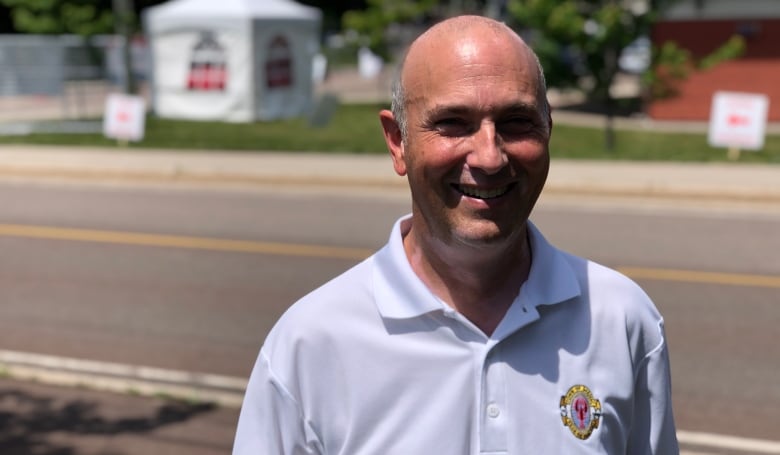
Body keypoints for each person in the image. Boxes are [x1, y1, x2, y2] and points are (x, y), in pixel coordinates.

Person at [233, 15, 678, 454]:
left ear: (548, 130)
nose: (489, 156)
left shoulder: (622, 320)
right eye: (453, 123)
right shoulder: (310, 344)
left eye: (516, 121)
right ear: (397, 142)